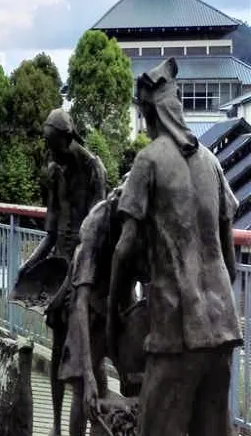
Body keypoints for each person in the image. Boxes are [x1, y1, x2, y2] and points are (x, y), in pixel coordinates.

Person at [106, 57, 241, 436]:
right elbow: (229, 261)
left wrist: (114, 310)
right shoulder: (211, 163)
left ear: (149, 114)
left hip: (177, 331)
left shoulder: (148, 161)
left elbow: (124, 248)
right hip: (223, 327)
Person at [14, 108, 106, 436]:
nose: (50, 152)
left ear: (67, 139)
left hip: (88, 271)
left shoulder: (94, 169)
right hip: (60, 269)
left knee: (90, 356)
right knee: (57, 350)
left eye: (53, 145)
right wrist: (29, 265)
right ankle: (55, 424)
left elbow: (98, 233)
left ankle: (99, 421)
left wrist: (75, 277)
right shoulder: (53, 173)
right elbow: (51, 233)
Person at [57, 185, 144, 436]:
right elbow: (81, 303)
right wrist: (88, 375)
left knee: (136, 383)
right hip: (90, 308)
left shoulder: (144, 219)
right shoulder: (95, 226)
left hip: (122, 305)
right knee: (83, 389)